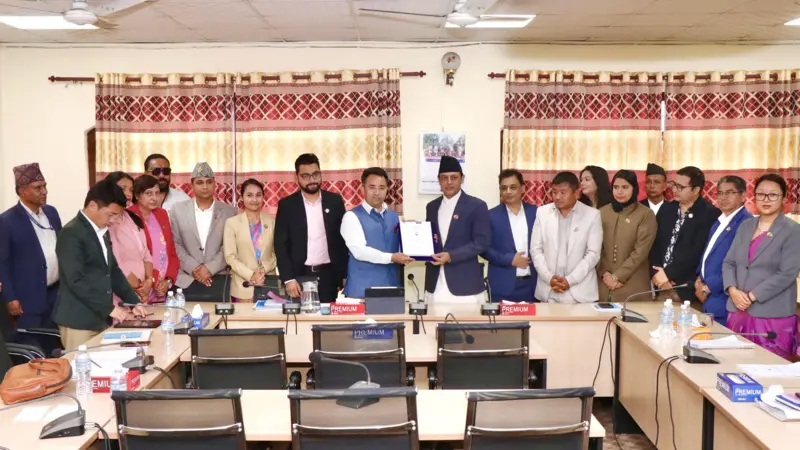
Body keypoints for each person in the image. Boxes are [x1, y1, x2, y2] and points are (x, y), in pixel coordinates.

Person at [52, 180, 145, 349]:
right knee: (81, 365)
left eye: (117, 215)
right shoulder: (71, 233)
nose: (114, 220)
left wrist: (133, 302)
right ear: (93, 206)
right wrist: (109, 308)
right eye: (111, 214)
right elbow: (75, 280)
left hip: (101, 319)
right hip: (79, 321)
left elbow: (113, 271)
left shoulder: (102, 232)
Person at [723, 174, 800, 359]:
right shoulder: (745, 226)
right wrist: (732, 290)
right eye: (761, 194)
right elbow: (729, 262)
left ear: (783, 198)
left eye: (773, 195)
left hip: (771, 314)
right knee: (734, 364)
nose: (766, 199)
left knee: (769, 367)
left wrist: (751, 296)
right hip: (738, 309)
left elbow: (787, 273)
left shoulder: (793, 230)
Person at [0, 163, 62, 341]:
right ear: (22, 191)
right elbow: (3, 263)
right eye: (37, 188)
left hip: (55, 295)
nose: (44, 191)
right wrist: (10, 298)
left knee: (55, 345)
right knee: (34, 347)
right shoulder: (7, 221)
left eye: (45, 186)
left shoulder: (51, 213)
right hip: (28, 299)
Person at [274, 154, 347, 303]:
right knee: (300, 317)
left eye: (315, 174)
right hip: (299, 277)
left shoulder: (334, 201)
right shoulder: (287, 205)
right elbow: (280, 244)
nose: (312, 180)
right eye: (305, 176)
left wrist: (344, 275)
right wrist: (288, 278)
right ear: (297, 177)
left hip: (329, 276)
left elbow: (343, 241)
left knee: (327, 317)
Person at [424, 156, 490, 304]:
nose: (449, 182)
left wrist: (451, 256)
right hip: (435, 284)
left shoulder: (477, 206)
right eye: (444, 178)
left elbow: (482, 243)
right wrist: (413, 232)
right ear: (439, 180)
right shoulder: (432, 207)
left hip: (465, 287)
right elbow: (431, 239)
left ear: (462, 179)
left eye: (454, 177)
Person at [650, 166, 721, 301]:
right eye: (674, 184)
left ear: (696, 190)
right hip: (660, 283)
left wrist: (668, 274)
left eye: (680, 187)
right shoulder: (666, 208)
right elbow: (654, 244)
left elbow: (697, 252)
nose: (674, 190)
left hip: (686, 288)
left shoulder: (710, 214)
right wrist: (656, 274)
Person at [340, 167, 413, 298]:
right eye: (372, 187)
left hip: (391, 289)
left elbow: (398, 247)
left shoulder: (393, 216)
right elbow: (359, 251)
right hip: (362, 291)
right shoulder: (351, 217)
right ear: (362, 189)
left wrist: (412, 233)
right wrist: (392, 258)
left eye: (382, 188)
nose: (377, 193)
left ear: (387, 190)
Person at [531, 171, 602, 303]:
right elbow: (536, 250)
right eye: (554, 192)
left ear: (577, 193)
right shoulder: (542, 213)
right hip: (549, 291)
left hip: (580, 293)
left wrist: (570, 280)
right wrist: (549, 278)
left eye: (563, 192)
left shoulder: (592, 215)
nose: (557, 197)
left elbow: (593, 254)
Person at [170, 162, 236, 300]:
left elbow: (229, 246)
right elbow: (174, 244)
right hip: (186, 279)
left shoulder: (229, 212)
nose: (205, 187)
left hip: (218, 277)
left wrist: (210, 268)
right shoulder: (178, 210)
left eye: (209, 182)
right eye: (200, 182)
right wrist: (194, 268)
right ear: (192, 184)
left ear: (215, 184)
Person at [696, 176, 752, 326]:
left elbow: (740, 263)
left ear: (743, 195)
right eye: (720, 193)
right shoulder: (719, 221)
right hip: (708, 296)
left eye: (729, 192)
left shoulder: (747, 223)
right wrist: (699, 278)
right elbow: (708, 253)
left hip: (724, 298)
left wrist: (709, 287)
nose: (723, 197)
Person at [597, 170, 657, 303]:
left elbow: (640, 252)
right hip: (604, 283)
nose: (619, 192)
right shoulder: (602, 212)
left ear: (634, 189)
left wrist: (618, 277)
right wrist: (604, 273)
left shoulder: (645, 214)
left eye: (625, 187)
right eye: (616, 187)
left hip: (633, 285)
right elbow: (596, 248)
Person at [482, 169, 538, 303]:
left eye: (513, 187)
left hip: (533, 286)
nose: (508, 191)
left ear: (523, 188)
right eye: (504, 188)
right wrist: (510, 260)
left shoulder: (536, 213)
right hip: (502, 287)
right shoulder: (490, 216)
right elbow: (483, 248)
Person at [224, 179, 278, 302]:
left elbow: (278, 254)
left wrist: (263, 270)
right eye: (249, 195)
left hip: (267, 283)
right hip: (242, 286)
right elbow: (230, 257)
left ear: (263, 197)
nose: (254, 199)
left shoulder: (272, 222)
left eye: (258, 195)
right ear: (241, 198)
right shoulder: (232, 223)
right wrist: (251, 275)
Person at [129, 175, 179, 303]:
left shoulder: (162, 214)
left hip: (162, 288)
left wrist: (168, 281)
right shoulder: (128, 216)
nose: (154, 198)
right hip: (140, 287)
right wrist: (153, 280)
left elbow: (171, 252)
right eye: (148, 193)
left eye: (157, 193)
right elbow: (131, 258)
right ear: (137, 195)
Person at [105, 172, 153, 304]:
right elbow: (115, 261)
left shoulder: (133, 217)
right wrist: (138, 287)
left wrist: (149, 281)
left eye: (131, 190)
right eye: (123, 188)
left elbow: (146, 254)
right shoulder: (107, 222)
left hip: (140, 294)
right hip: (119, 293)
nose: (128, 194)